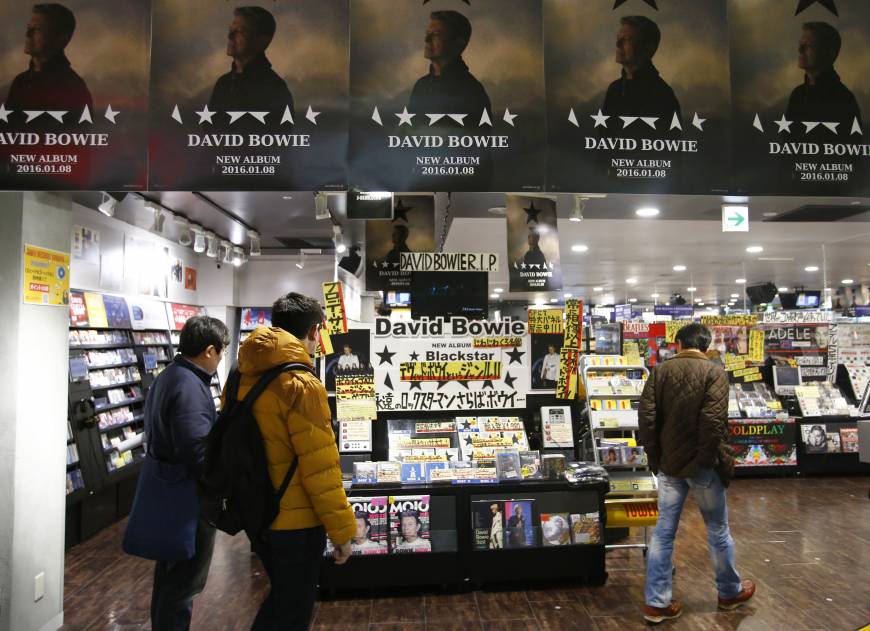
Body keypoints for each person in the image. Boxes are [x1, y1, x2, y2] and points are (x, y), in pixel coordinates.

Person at [235, 292, 356, 630]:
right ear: (316, 331)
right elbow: (321, 470)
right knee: (291, 610)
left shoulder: (242, 374)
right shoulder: (302, 384)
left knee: (282, 601)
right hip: (295, 524)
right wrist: (342, 532)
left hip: (256, 512)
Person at [638, 324, 755, 624]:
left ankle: (656, 603)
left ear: (678, 344)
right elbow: (713, 420)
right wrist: (704, 460)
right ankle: (729, 592)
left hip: (669, 465)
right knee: (717, 529)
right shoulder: (714, 372)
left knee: (663, 533)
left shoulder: (659, 372)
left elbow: (647, 419)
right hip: (703, 467)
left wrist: (656, 459)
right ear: (706, 346)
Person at [142, 315, 230, 630]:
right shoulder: (190, 386)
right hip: (189, 498)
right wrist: (221, 481)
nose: (220, 360)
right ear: (209, 350)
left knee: (169, 579)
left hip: (170, 491)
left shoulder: (170, 376)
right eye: (221, 352)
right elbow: (198, 451)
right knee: (184, 583)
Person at [5, 3, 93, 112]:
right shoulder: (20, 82)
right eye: (29, 28)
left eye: (37, 29)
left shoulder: (73, 87)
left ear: (60, 37)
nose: (28, 34)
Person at [208, 6, 295, 117]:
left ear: (263, 40)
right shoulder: (223, 84)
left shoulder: (274, 88)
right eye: (231, 30)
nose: (230, 36)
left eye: (240, 31)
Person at [407, 10, 491, 121]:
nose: (426, 40)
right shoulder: (421, 86)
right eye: (427, 34)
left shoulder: (471, 91)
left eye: (436, 35)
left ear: (458, 43)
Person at [601, 16, 681, 122]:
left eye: (626, 39)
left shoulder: (662, 95)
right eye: (618, 39)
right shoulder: (614, 90)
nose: (618, 44)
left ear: (648, 47)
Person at [785, 22, 862, 132]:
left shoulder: (843, 100)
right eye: (800, 44)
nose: (800, 50)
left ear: (828, 52)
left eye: (808, 45)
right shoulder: (797, 95)